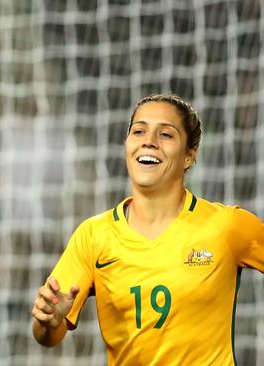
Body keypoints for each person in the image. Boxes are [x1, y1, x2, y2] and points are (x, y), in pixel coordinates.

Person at [31, 94, 263, 365]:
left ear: (189, 155)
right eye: (138, 131)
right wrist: (48, 320)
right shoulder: (93, 236)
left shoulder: (227, 226)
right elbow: (47, 336)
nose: (148, 141)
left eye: (166, 134)